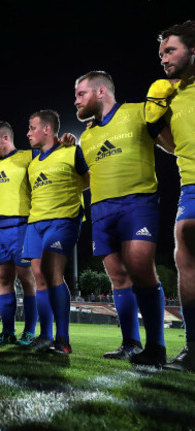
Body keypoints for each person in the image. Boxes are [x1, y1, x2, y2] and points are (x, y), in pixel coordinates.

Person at [75, 70, 168, 364]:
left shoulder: (138, 112)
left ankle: (156, 347)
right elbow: (84, 176)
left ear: (101, 92)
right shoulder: (86, 136)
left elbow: (170, 142)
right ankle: (130, 343)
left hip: (138, 201)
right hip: (101, 210)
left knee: (140, 266)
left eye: (81, 94)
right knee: (117, 277)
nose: (76, 101)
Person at [22, 110, 89, 354]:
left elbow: (88, 179)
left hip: (63, 219)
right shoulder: (32, 162)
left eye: (32, 127)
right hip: (35, 222)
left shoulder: (71, 150)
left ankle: (63, 340)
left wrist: (70, 193)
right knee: (39, 275)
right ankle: (45, 335)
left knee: (53, 272)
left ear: (48, 129)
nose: (28, 133)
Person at [148, 20, 195, 371]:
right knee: (184, 254)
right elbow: (175, 146)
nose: (164, 59)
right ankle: (193, 347)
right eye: (161, 53)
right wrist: (155, 124)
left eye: (171, 50)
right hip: (190, 184)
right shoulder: (171, 93)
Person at [0, 121, 40, 347]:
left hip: (21, 224)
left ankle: (29, 332)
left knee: (27, 279)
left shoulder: (29, 156)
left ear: (5, 138)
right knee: (3, 280)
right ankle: (7, 332)